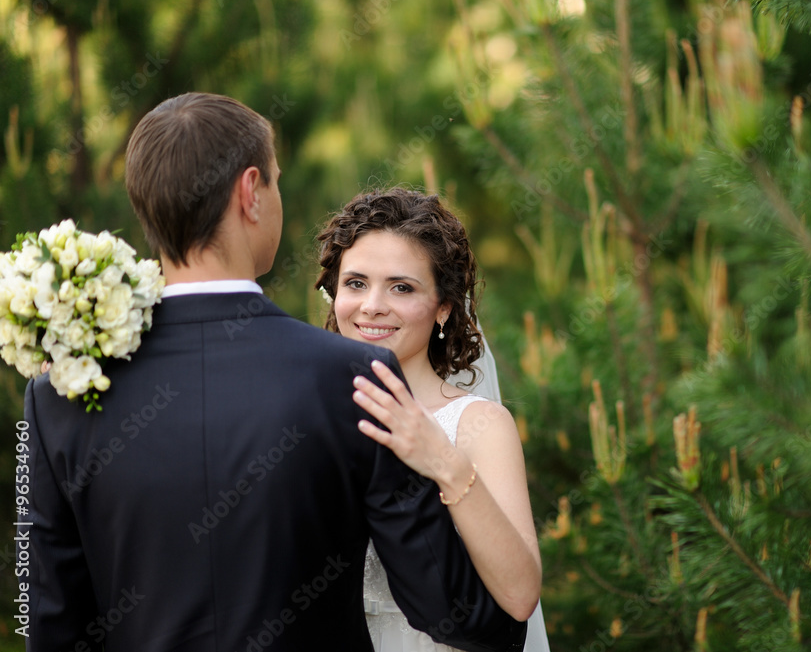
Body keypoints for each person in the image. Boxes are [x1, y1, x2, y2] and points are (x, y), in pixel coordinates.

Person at [21, 93, 526, 652]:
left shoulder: (57, 391)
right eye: (277, 183)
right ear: (250, 193)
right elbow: (467, 617)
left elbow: (50, 620)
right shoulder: (357, 378)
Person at [315, 189, 550, 651]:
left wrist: (441, 459)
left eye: (401, 287)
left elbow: (521, 597)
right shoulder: (306, 413)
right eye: (356, 283)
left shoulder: (480, 424)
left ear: (443, 307)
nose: (372, 305)